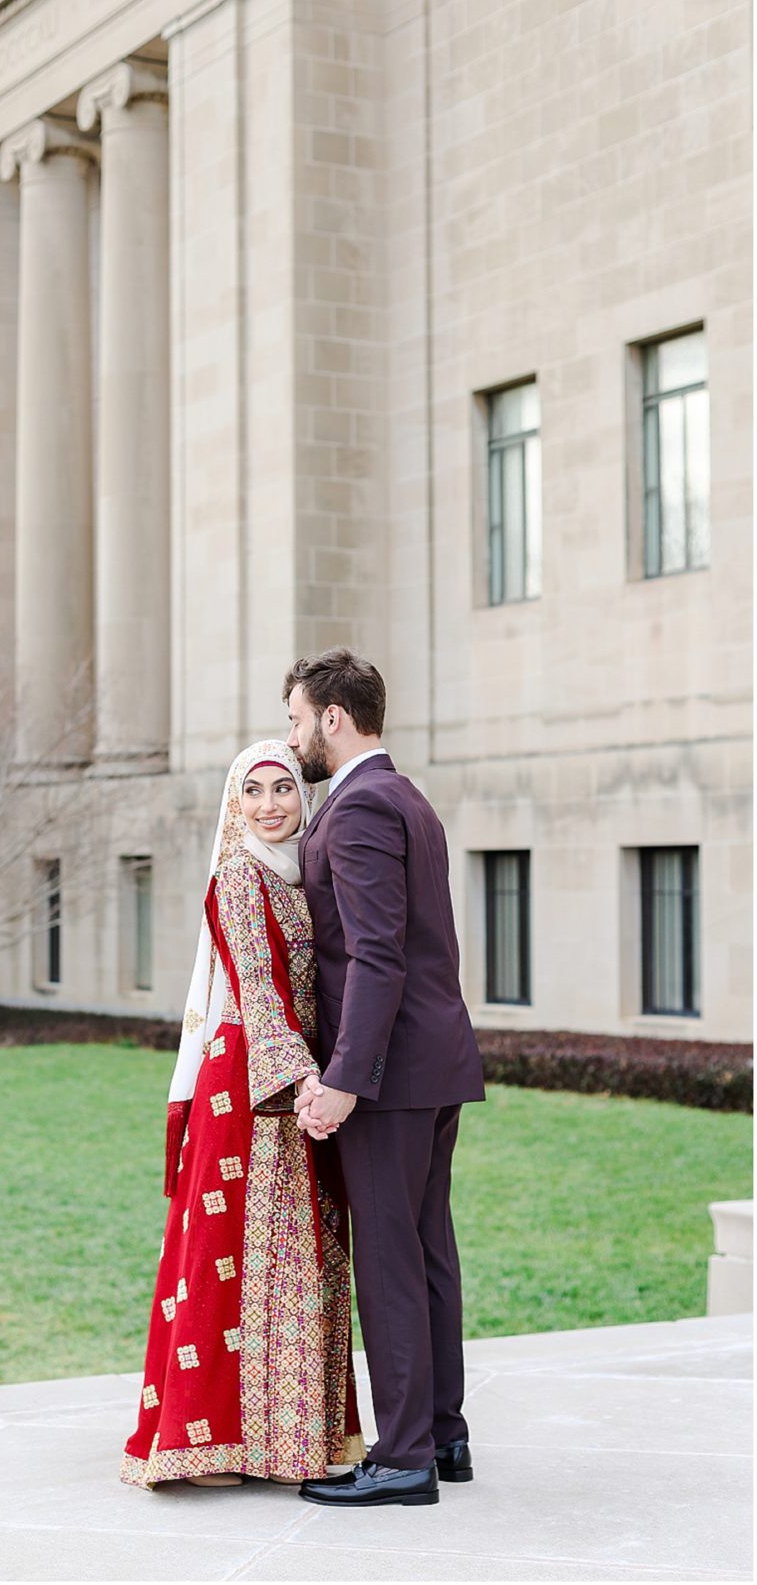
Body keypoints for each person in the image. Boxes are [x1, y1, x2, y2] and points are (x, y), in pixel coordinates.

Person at [121, 739, 364, 1489]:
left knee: (300, 1257)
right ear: (235, 804)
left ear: (302, 796)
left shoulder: (305, 877)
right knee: (235, 1256)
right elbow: (257, 990)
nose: (268, 805)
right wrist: (304, 1084)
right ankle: (213, 1439)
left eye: (282, 789)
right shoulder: (237, 876)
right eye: (252, 791)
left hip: (306, 1084)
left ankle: (290, 1439)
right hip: (250, 1089)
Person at [282, 647, 486, 1509]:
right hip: (433, 1065)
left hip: (391, 1074)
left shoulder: (359, 807)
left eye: (295, 719)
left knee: (393, 1260)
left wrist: (344, 1078)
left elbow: (374, 956)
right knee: (428, 1249)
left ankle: (401, 1459)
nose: (291, 737)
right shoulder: (406, 798)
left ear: (333, 717)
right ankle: (442, 1436)